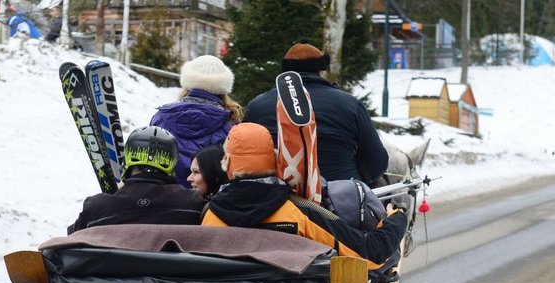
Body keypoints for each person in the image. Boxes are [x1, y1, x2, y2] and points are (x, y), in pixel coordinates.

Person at [201, 123, 408, 269]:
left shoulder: (209, 215)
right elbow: (370, 254)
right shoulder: (300, 211)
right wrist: (396, 217)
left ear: (227, 164)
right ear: (274, 161)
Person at [243, 43, 388, 186]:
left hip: (276, 196)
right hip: (342, 197)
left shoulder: (256, 106)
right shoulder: (350, 104)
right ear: (320, 71)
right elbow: (376, 165)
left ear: (285, 71)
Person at [68, 126, 206, 233]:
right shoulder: (194, 204)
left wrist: (113, 196)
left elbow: (71, 240)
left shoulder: (97, 207)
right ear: (172, 162)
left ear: (128, 158)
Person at [149, 55, 243, 189]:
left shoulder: (160, 118)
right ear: (223, 87)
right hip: (209, 202)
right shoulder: (230, 126)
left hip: (166, 199)